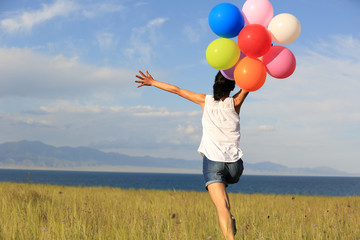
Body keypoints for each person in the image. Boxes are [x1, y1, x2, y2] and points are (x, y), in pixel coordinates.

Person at [135, 70, 249, 240]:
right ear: (232, 87)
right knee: (225, 203)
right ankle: (229, 222)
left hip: (213, 163)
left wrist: (153, 82)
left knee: (221, 207)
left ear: (214, 85)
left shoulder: (206, 101)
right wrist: (260, 58)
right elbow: (250, 82)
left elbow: (177, 90)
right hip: (234, 166)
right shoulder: (236, 102)